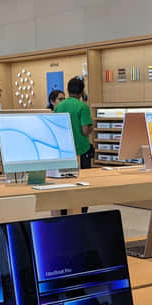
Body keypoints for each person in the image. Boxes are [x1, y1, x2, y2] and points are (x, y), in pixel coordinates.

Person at [55, 76, 93, 213]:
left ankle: (65, 210)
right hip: (81, 150)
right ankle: (81, 210)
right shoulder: (83, 107)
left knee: (65, 183)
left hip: (64, 152)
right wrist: (91, 128)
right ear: (82, 92)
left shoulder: (59, 107)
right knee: (82, 184)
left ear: (68, 90)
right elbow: (84, 131)